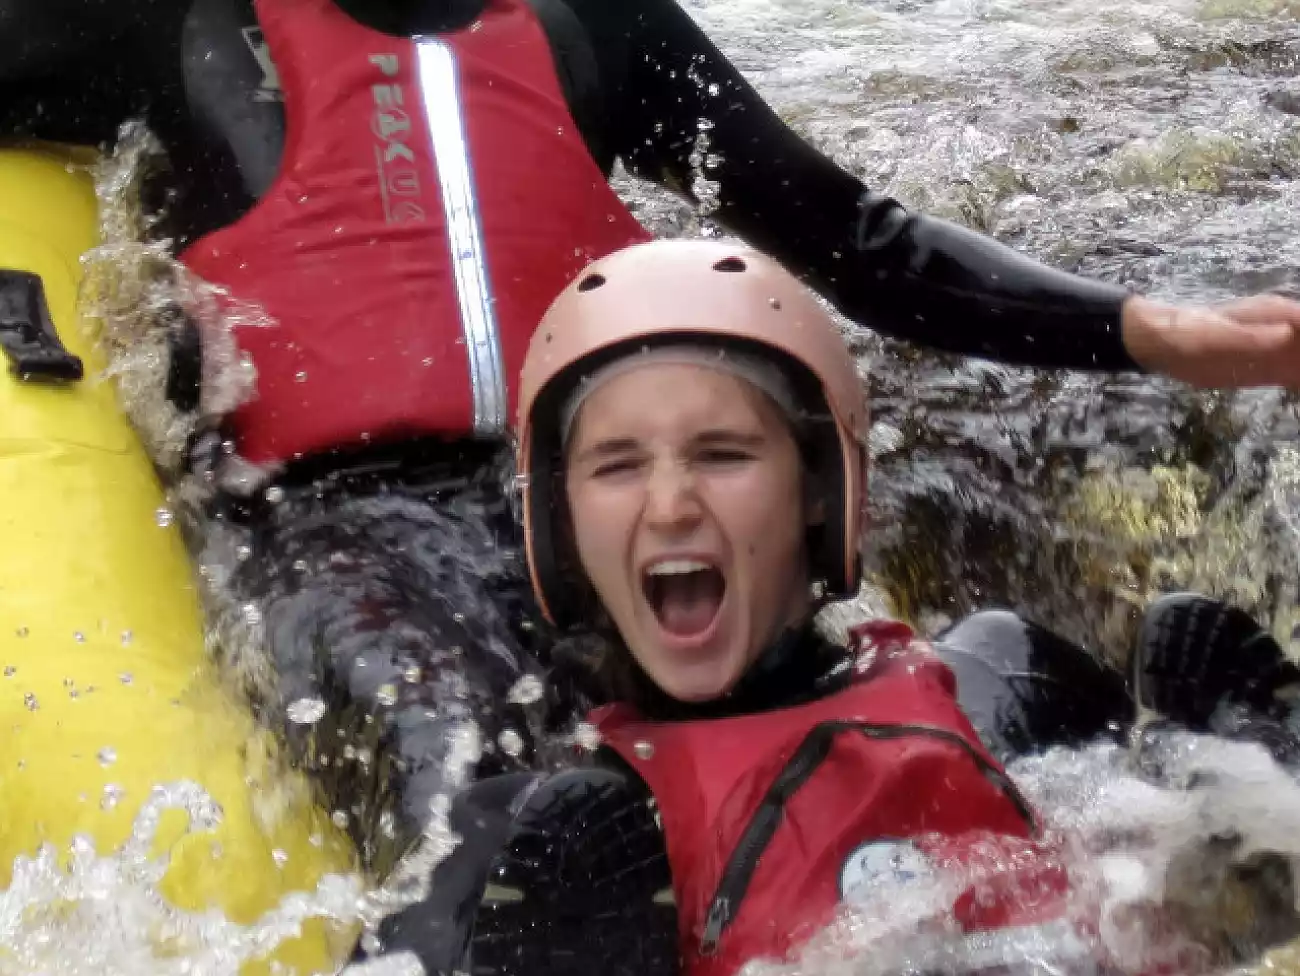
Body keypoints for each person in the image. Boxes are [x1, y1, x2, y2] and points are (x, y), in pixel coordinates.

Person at [5, 0, 1300, 866]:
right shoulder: (162, 20)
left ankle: (1208, 796)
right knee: (493, 795)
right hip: (336, 535)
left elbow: (850, 237)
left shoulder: (593, 18)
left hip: (606, 494)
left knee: (941, 696)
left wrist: (1146, 329)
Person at [365, 239, 1300, 976]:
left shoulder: (996, 683)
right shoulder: (527, 843)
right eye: (617, 467)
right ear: (560, 520)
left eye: (724, 455)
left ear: (820, 489)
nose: (671, 504)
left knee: (1186, 671)